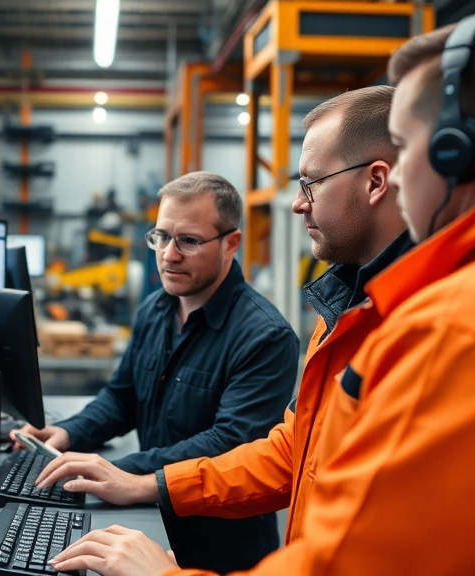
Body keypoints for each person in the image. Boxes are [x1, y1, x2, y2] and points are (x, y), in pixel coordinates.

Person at [43, 13, 475, 576]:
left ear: (456, 154)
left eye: (406, 147)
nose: (398, 175)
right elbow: (303, 449)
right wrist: (155, 484)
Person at [37, 85, 417, 575]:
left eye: (310, 183)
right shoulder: (341, 309)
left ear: (377, 181)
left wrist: (155, 529)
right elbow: (292, 450)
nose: (299, 206)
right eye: (162, 238)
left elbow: (372, 543)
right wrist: (142, 478)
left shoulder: (410, 328)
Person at [13, 171, 300, 573]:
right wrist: (70, 432)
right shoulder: (155, 309)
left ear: (231, 243)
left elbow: (230, 444)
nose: (168, 254)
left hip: (220, 548)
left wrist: (123, 473)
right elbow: (122, 395)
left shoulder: (265, 337)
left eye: (189, 240)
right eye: (161, 236)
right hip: (146, 518)